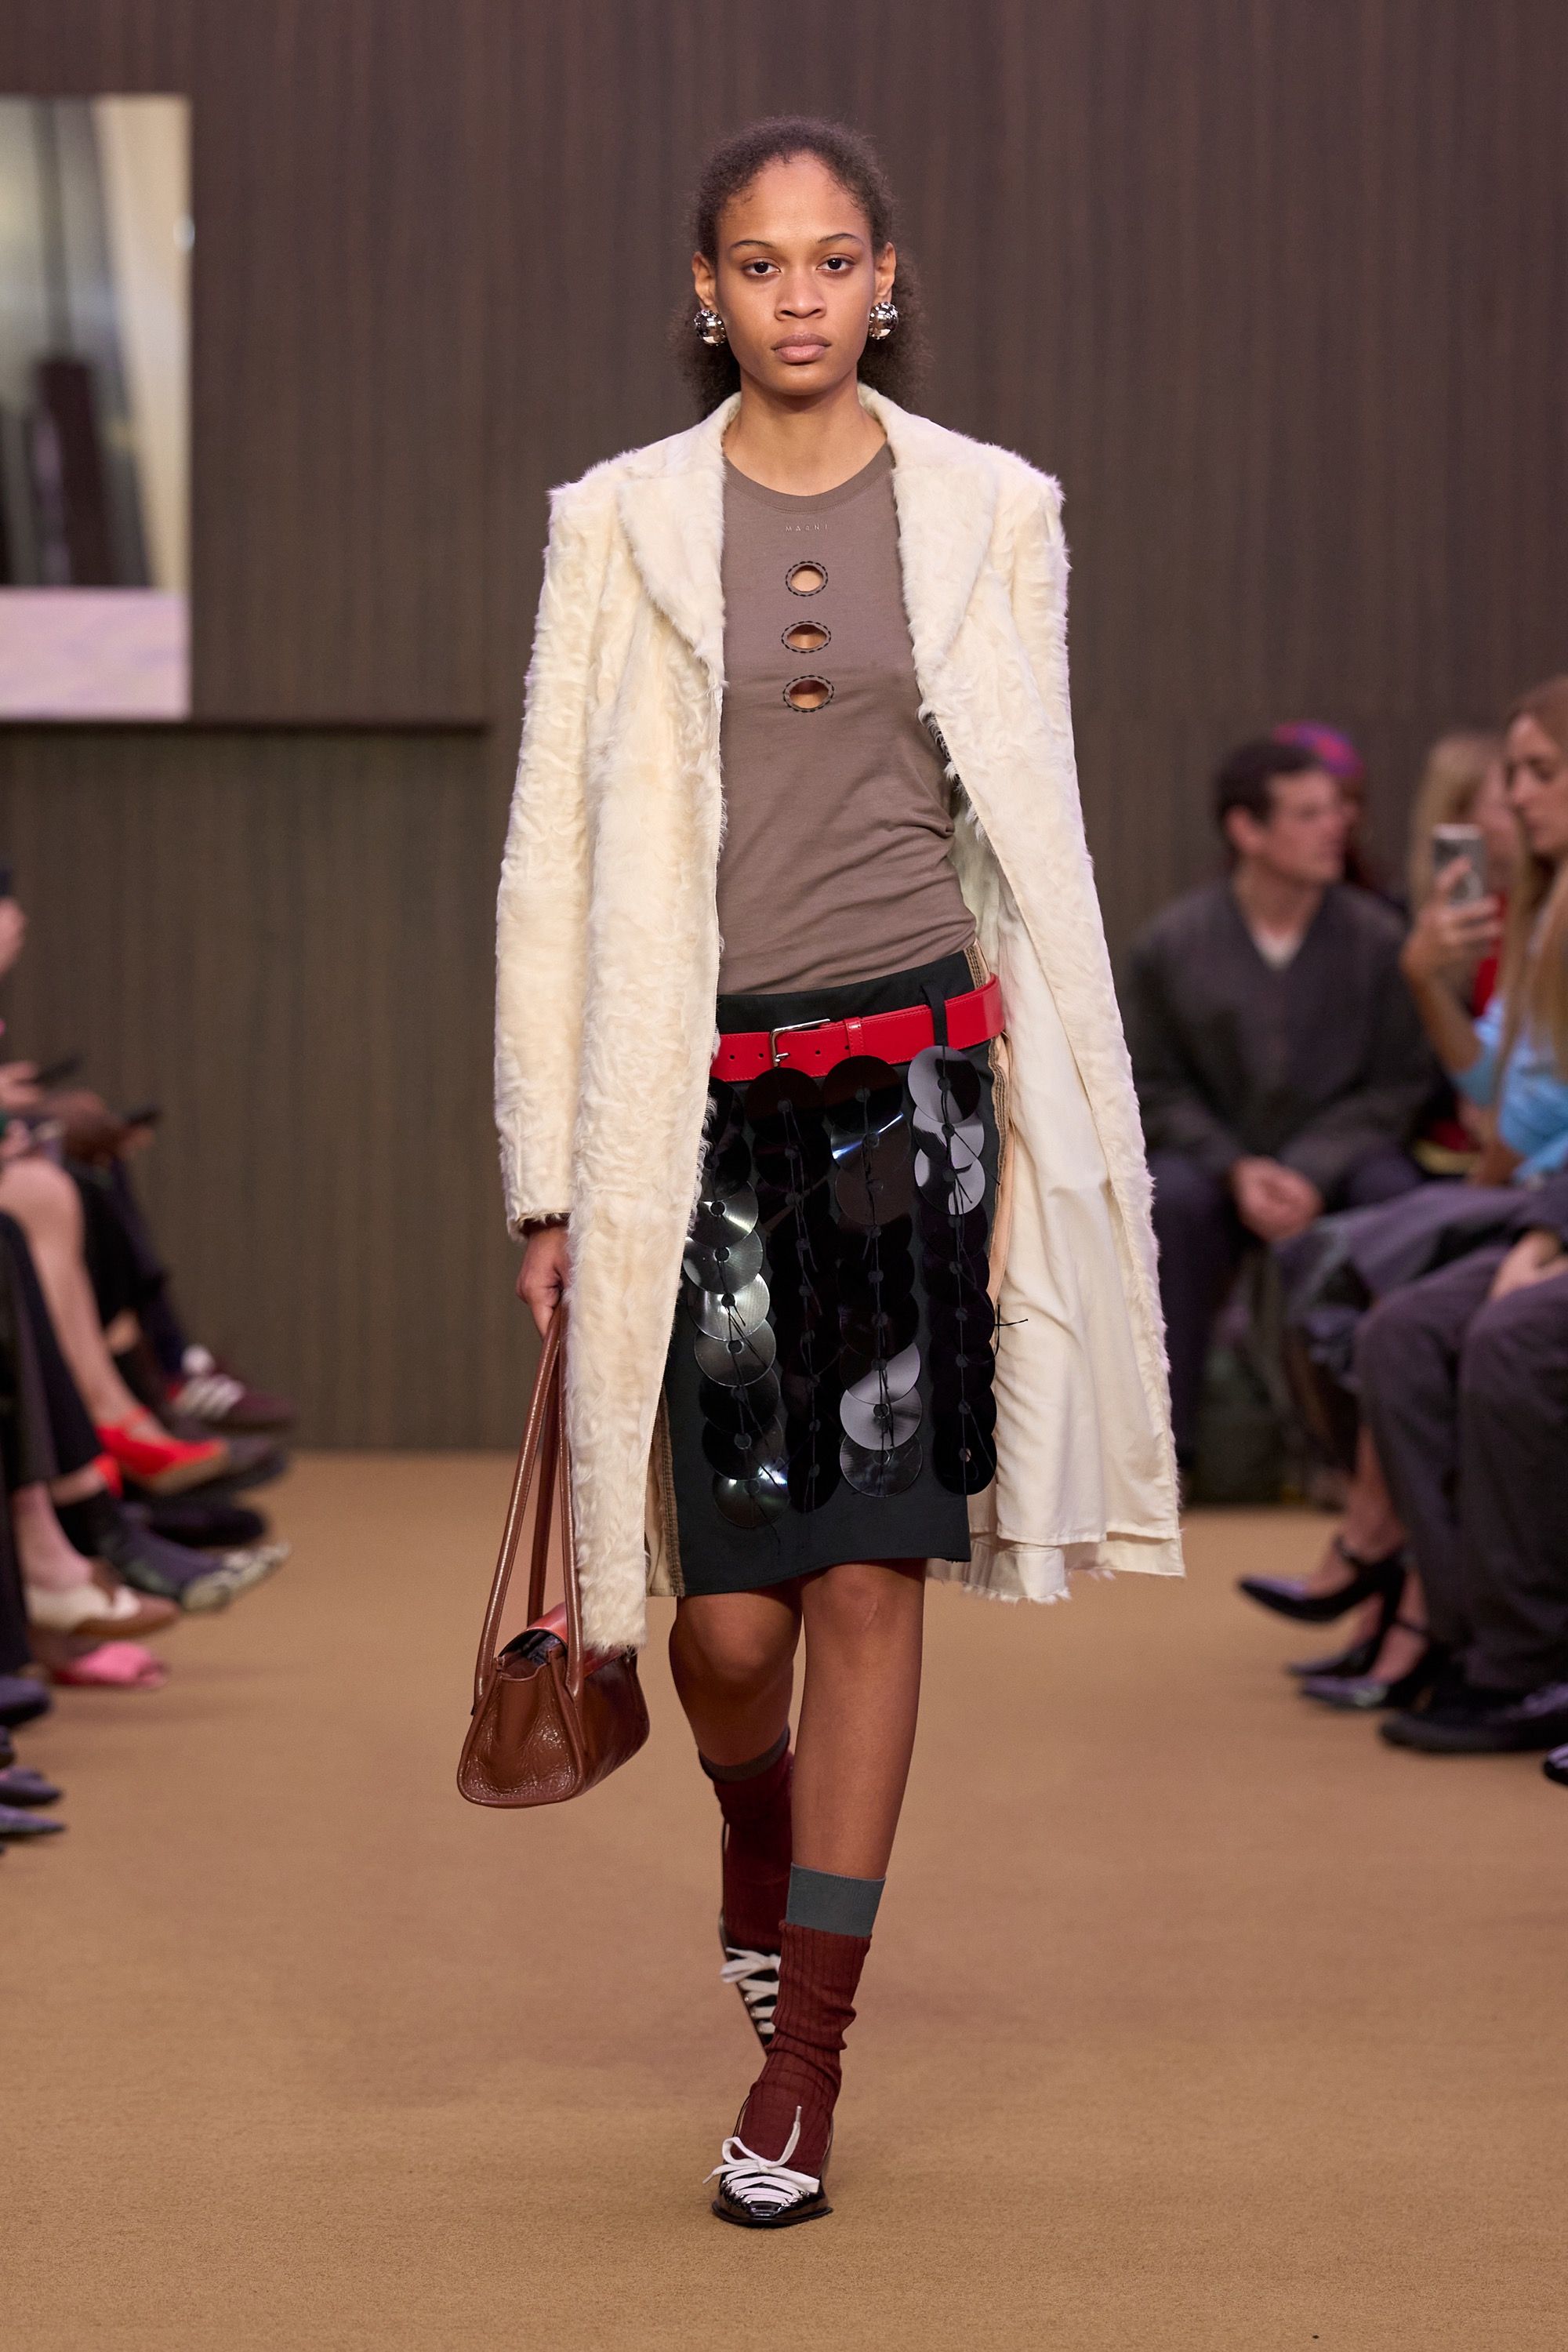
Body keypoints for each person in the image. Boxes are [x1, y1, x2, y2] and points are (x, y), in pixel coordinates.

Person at [495, 116, 1179, 2227]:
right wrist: (545, 1182)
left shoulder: (992, 509)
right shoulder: (618, 520)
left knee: (875, 1568)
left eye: (831, 259)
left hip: (913, 1099)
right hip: (692, 1117)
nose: (797, 295)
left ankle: (804, 2057)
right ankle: (752, 1815)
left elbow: (1024, 820)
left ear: (888, 281)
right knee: (724, 1626)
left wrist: (1051, 1102)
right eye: (757, 263)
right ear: (704, 293)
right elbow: (548, 861)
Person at [1124, 735, 1432, 1468]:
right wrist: (1236, 1167)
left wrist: (1312, 1169)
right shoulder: (1174, 943)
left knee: (1396, 1196)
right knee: (1170, 1203)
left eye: (1338, 810)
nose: (1337, 827)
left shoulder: (1379, 940)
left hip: (1341, 1162)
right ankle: (1170, 1456)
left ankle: (1377, 1454)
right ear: (1247, 830)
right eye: (1309, 814)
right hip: (1219, 1163)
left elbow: (1400, 1084)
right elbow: (1153, 1085)